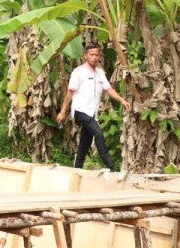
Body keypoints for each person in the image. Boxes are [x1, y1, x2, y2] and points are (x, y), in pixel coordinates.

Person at [56, 43, 132, 172]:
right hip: (81, 110)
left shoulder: (100, 73)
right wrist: (63, 112)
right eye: (91, 55)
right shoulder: (78, 72)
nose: (94, 57)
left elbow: (109, 89)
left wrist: (122, 100)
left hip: (92, 113)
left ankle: (77, 169)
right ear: (85, 56)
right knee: (98, 133)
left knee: (85, 141)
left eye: (97, 55)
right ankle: (111, 167)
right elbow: (70, 93)